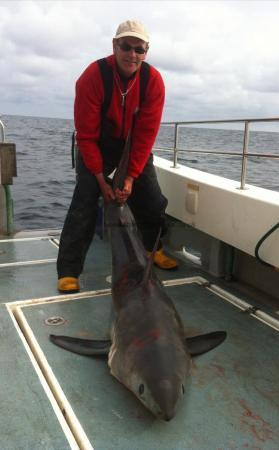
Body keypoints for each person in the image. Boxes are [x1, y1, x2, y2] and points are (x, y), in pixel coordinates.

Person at [57, 19, 178, 293]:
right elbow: (86, 135)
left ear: (146, 51)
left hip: (132, 145)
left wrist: (131, 177)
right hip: (96, 144)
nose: (132, 55)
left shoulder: (153, 80)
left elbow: (146, 133)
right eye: (126, 46)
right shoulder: (93, 76)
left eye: (140, 49)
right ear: (115, 45)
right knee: (84, 203)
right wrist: (101, 180)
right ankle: (68, 270)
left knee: (152, 200)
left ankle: (152, 249)